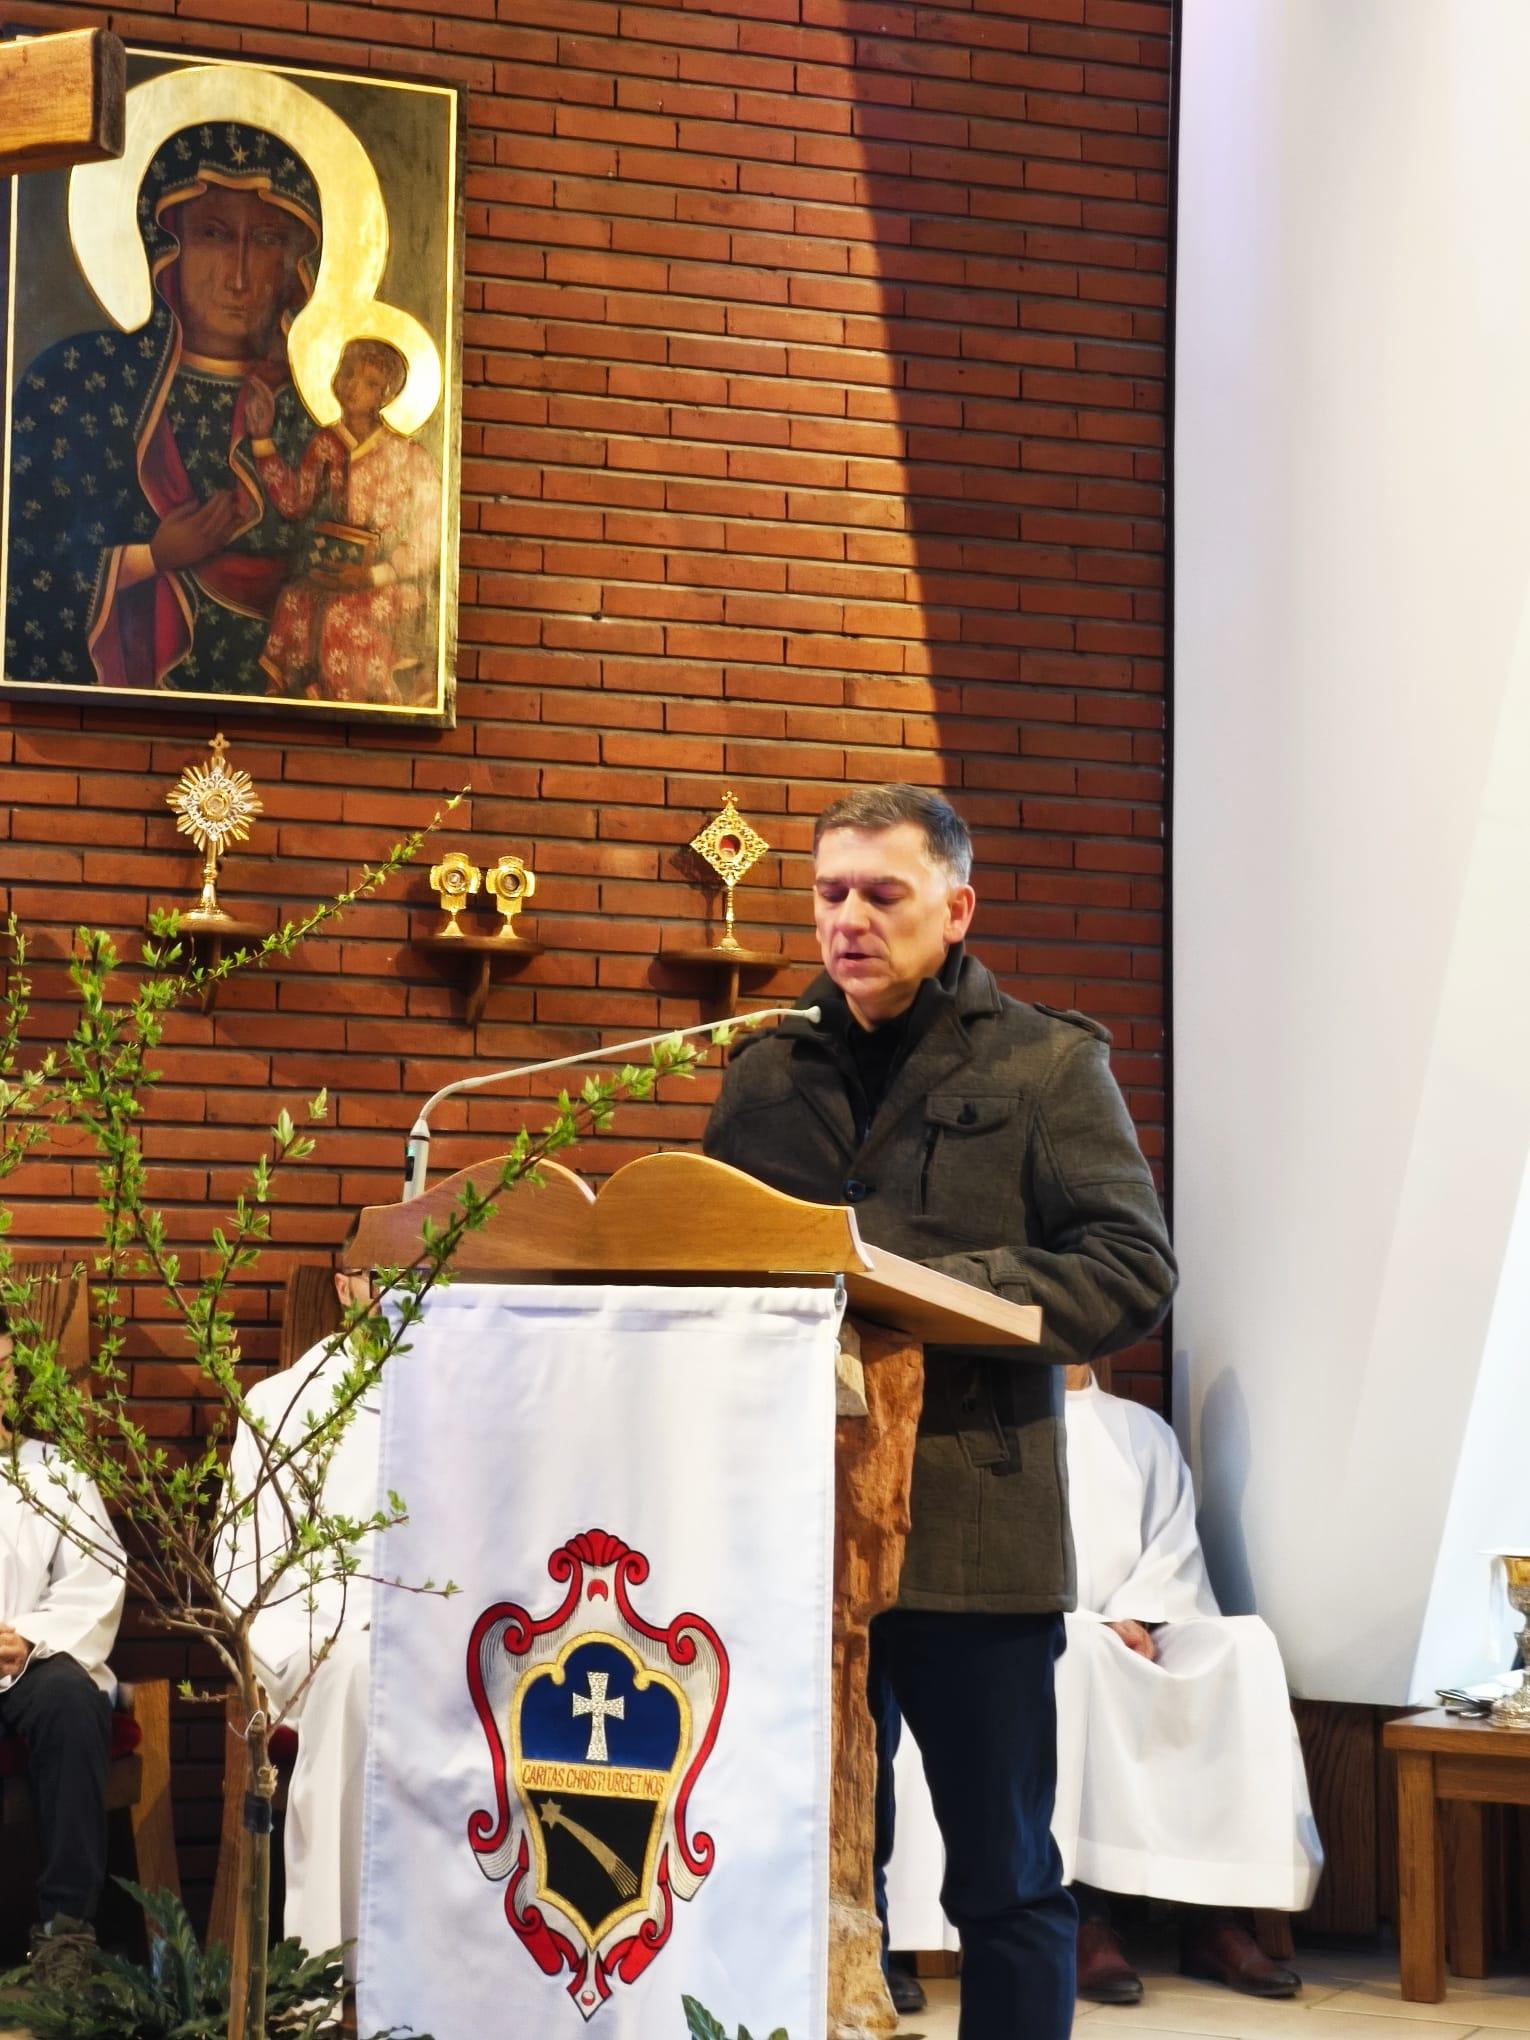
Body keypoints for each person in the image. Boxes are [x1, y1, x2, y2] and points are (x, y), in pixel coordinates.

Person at [703, 784, 1177, 2040]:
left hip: (971, 1527)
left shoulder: (1046, 1064)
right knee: (805, 1859)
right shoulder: (764, 1073)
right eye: (830, 894)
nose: (848, 920)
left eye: (883, 894)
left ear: (956, 908)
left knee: (1004, 1876)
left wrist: (929, 1289)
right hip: (798, 1533)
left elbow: (1133, 1268)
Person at [885, 1363, 1324, 2004]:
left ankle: (1215, 1920)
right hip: (1042, 1627)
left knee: (1244, 1647)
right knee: (1075, 1650)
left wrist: (1138, 1612)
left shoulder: (1142, 1429)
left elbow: (1172, 1550)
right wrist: (1097, 1623)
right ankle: (1084, 1915)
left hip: (1136, 1624)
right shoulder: (997, 1418)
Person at [6, 123, 324, 696]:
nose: (238, 276)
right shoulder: (77, 385)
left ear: (298, 268)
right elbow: (27, 572)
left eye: (268, 240)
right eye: (213, 235)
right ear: (164, 248)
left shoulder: (313, 421)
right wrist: (151, 556)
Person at [216, 1255, 381, 1974]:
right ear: (346, 1287)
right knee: (356, 1675)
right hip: (313, 1638)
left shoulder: (469, 1399)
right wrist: (325, 1640)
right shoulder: (283, 1405)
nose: (397, 1293)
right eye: (380, 1275)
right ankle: (334, 1974)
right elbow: (243, 1569)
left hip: (431, 1642)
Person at [0, 1306, 126, 1993]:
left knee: (75, 1702)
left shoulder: (54, 1472)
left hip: (29, 1658)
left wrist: (29, 1636)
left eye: (2, 1367)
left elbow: (96, 1574)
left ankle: (66, 1933)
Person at [243, 336, 441, 704]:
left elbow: (429, 532)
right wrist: (262, 440)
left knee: (342, 614)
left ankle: (361, 704)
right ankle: (301, 699)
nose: (352, 386)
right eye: (347, 373)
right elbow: (295, 501)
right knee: (294, 599)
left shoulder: (408, 456)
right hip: (336, 569)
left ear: (385, 394)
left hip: (386, 579)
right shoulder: (326, 443)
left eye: (369, 382)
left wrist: (376, 574)